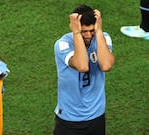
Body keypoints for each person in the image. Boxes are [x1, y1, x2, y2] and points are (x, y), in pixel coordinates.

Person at [53, 4, 115, 135]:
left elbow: (106, 65)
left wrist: (98, 33)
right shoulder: (63, 44)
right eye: (83, 31)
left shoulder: (102, 38)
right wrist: (76, 33)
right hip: (69, 119)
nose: (88, 35)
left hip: (97, 117)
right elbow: (82, 66)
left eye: (91, 30)